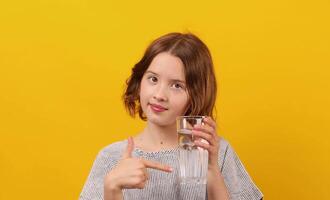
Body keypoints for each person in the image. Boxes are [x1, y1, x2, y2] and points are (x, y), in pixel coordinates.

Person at [80, 32, 263, 200]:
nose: (159, 94)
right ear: (140, 81)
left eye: (177, 85)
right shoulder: (111, 158)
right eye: (153, 79)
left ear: (196, 95)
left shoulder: (217, 154)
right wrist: (111, 190)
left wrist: (212, 171)